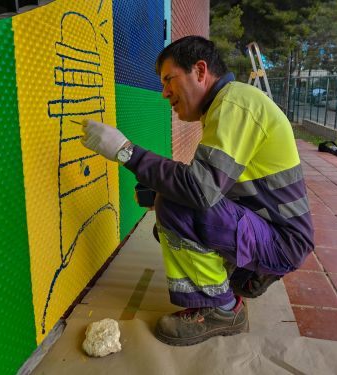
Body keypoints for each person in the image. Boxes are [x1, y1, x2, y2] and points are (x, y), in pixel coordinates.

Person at [81, 36, 314, 346]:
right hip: (275, 231)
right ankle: (243, 274)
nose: (164, 93)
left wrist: (126, 152)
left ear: (200, 70)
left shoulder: (234, 104)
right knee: (174, 205)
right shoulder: (233, 103)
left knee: (177, 206)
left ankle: (223, 309)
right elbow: (215, 185)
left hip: (281, 241)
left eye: (169, 79)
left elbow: (200, 191)